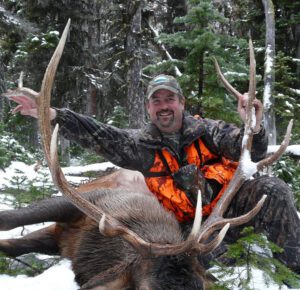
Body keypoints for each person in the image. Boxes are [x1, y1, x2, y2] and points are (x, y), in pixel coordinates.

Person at [5, 74, 300, 274]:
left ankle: (292, 273)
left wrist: (255, 125)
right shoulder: (140, 146)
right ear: (148, 107)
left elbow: (253, 152)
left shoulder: (209, 131)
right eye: (156, 101)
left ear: (182, 103)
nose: (164, 106)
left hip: (230, 208)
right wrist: (53, 114)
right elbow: (99, 134)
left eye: (169, 99)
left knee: (272, 188)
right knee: (184, 265)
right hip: (191, 227)